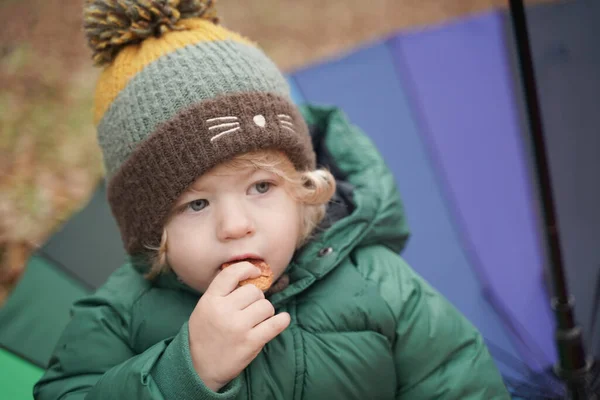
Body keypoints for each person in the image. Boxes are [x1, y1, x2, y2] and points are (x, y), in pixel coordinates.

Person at [34, 1, 510, 398]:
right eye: (196, 204)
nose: (235, 225)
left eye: (261, 187)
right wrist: (187, 370)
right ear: (152, 230)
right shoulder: (118, 318)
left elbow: (459, 381)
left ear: (303, 192)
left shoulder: (381, 285)